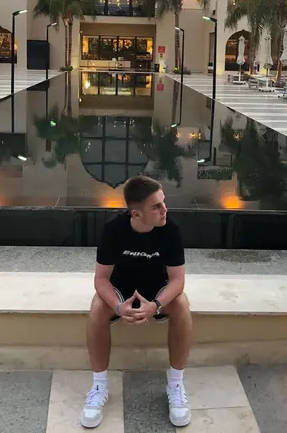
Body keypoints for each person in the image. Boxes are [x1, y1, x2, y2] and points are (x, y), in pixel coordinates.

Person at [81, 175, 192, 429]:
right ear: (136, 213)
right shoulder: (114, 229)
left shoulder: (170, 229)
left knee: (182, 305)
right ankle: (99, 387)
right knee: (97, 308)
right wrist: (118, 306)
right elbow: (101, 279)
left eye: (163, 202)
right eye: (156, 206)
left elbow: (177, 280)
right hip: (122, 290)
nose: (164, 210)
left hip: (157, 291)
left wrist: (156, 305)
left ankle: (176, 385)